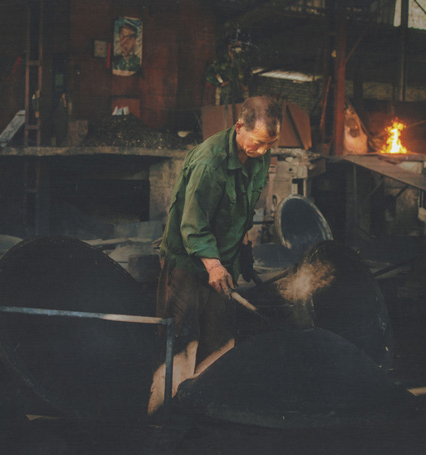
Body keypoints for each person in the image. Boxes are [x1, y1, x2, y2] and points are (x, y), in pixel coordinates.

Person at [147, 96, 283, 415]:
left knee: (220, 343)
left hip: (224, 263)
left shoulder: (259, 156)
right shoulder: (209, 163)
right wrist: (213, 265)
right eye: (259, 142)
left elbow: (242, 210)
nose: (263, 150)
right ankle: (162, 417)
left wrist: (243, 249)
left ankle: (205, 415)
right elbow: (193, 224)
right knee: (180, 345)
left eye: (270, 144)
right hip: (187, 263)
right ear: (239, 127)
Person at [205, 40, 252, 106]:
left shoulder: (242, 61)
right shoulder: (221, 60)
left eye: (238, 45)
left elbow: (249, 73)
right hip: (226, 93)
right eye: (234, 45)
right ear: (229, 46)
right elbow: (209, 73)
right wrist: (219, 84)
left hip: (240, 93)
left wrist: (245, 85)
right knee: (225, 111)